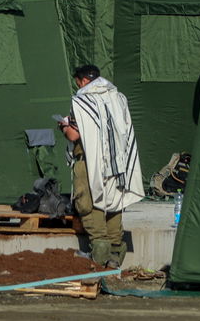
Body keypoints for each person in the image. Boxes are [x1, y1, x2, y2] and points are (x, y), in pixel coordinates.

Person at [59, 64, 144, 267]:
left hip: (89, 162)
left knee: (89, 202)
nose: (77, 86)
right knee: (114, 203)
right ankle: (115, 254)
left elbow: (74, 134)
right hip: (117, 162)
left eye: (78, 82)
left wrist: (63, 126)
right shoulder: (118, 98)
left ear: (84, 81)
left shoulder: (82, 101)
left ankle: (99, 252)